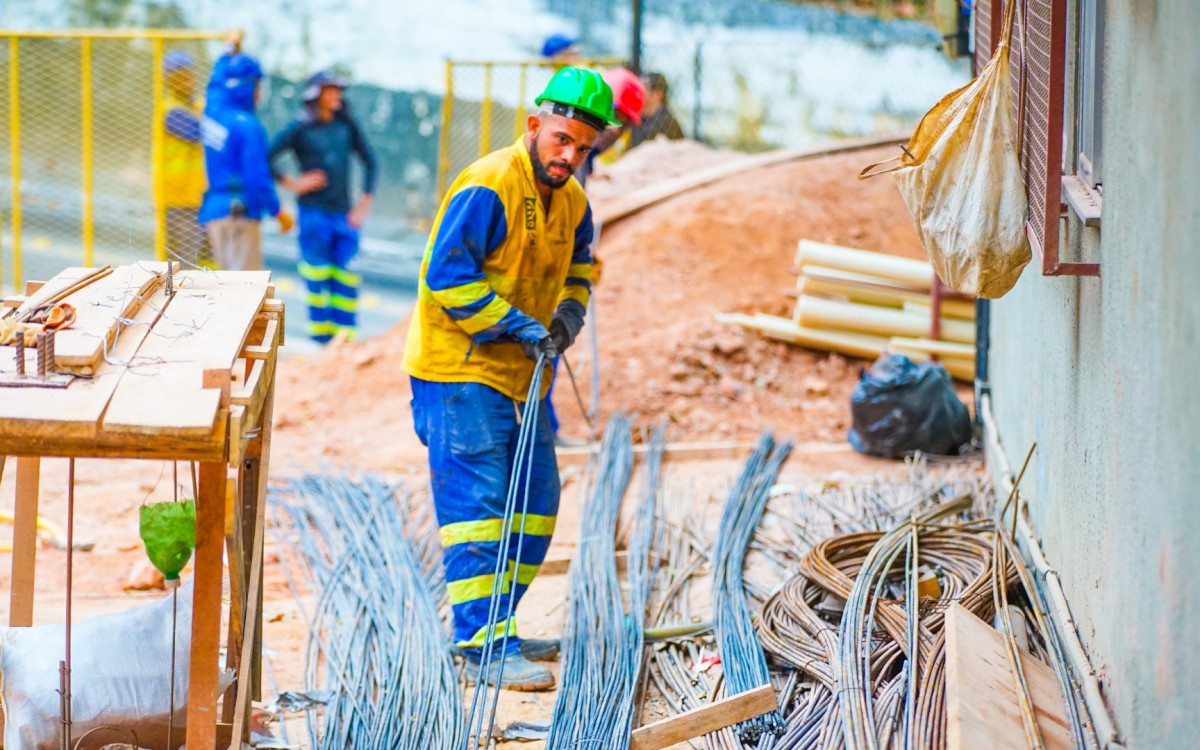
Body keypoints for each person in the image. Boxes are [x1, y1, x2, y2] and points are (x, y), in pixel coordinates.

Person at [402, 66, 615, 691]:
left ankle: (498, 623)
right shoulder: (490, 183)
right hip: (459, 372)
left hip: (524, 377)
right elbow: (446, 277)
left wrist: (569, 315)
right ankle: (483, 645)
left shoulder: (573, 202)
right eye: (561, 139)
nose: (569, 156)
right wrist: (520, 326)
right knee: (479, 509)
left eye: (582, 147)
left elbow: (580, 268)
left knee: (538, 502)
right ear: (534, 126)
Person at [270, 71, 377, 344]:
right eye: (330, 90)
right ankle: (322, 343)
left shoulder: (346, 125)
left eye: (338, 90)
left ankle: (345, 342)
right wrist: (293, 183)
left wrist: (364, 203)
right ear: (315, 95)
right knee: (317, 279)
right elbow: (267, 156)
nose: (336, 96)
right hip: (313, 216)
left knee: (347, 279)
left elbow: (371, 161)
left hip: (345, 217)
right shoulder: (300, 128)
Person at [198, 52, 291, 271]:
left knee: (221, 283)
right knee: (244, 286)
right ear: (246, 88)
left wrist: (229, 50)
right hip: (238, 216)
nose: (259, 95)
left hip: (213, 213)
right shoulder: (248, 126)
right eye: (257, 87)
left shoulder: (212, 111)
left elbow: (215, 83)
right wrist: (278, 212)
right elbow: (257, 178)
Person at [160, 50, 210, 268]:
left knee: (207, 260)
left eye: (188, 75)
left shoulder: (196, 105)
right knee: (185, 263)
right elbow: (198, 131)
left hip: (200, 196)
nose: (187, 81)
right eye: (179, 77)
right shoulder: (170, 111)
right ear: (169, 81)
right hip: (180, 201)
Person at [573, 67, 644, 187]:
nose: (615, 130)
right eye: (611, 117)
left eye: (623, 125)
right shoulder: (569, 161)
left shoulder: (583, 162)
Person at [631, 72, 685, 147]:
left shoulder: (667, 123)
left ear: (658, 94)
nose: (638, 91)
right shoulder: (637, 121)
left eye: (644, 87)